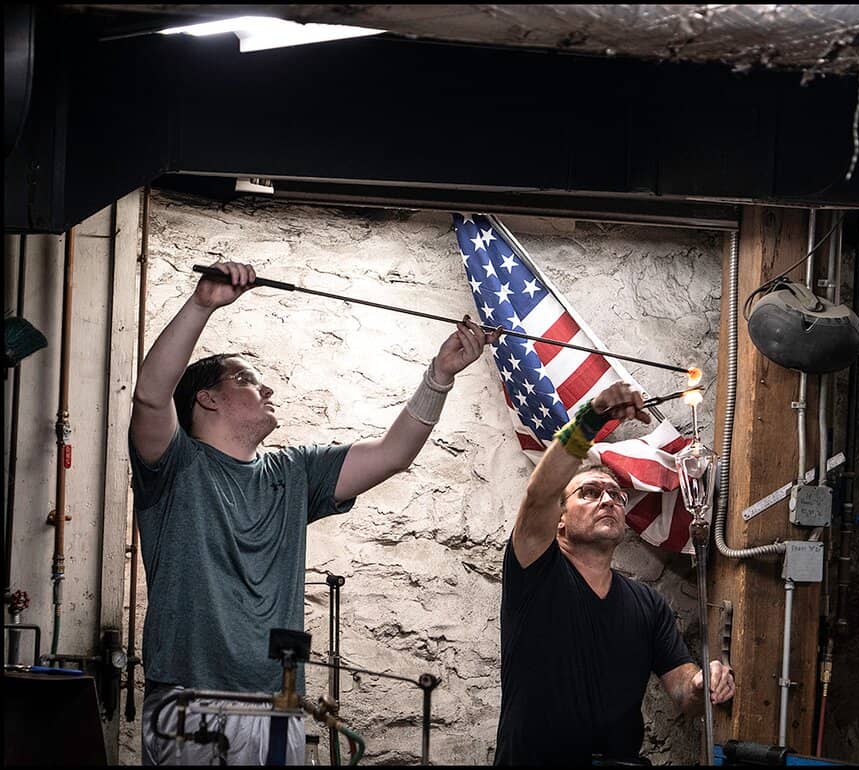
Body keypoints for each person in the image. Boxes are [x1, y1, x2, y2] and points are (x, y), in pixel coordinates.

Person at [130, 261, 499, 765]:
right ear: (208, 399)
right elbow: (152, 394)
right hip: (190, 701)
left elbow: (393, 454)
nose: (267, 390)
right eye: (247, 381)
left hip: (276, 705)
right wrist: (202, 305)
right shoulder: (175, 466)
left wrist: (438, 377)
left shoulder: (294, 471)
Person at [494, 381, 735, 766]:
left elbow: (683, 693)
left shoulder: (647, 604)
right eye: (589, 492)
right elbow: (539, 494)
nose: (608, 499)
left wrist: (702, 683)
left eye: (616, 496)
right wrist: (592, 418)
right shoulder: (535, 571)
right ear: (559, 520)